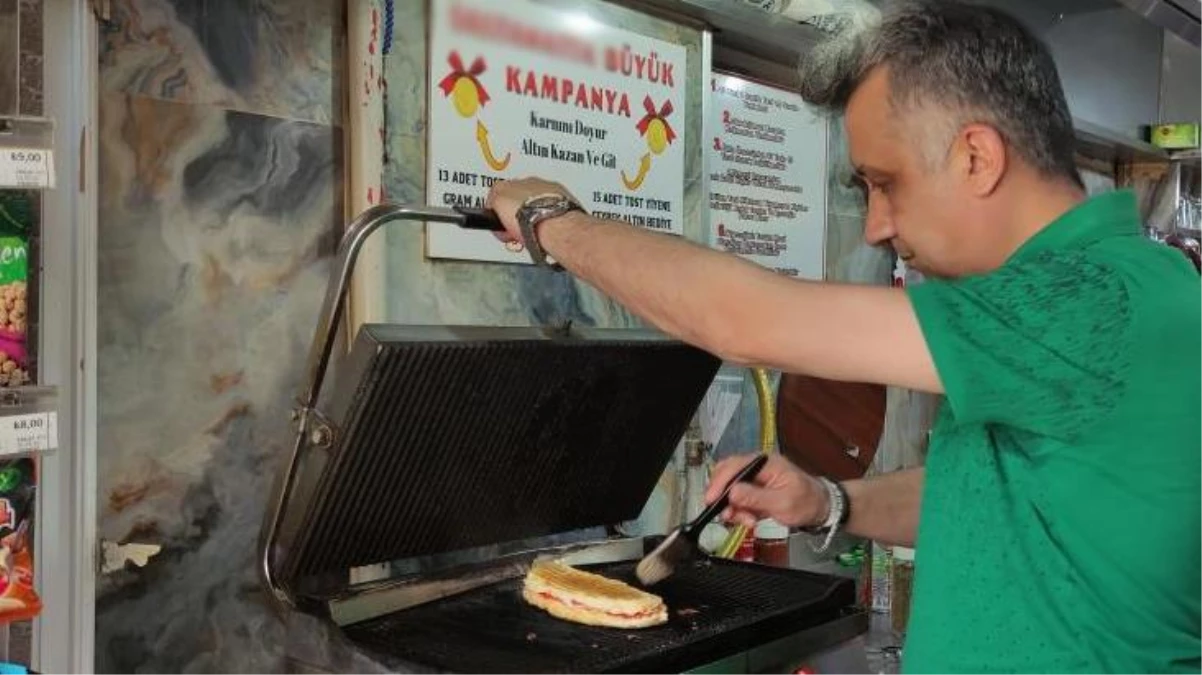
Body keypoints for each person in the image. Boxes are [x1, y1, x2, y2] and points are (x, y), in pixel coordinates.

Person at [485, 0, 1202, 672]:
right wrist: (829, 501)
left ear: (977, 158)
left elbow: (748, 321)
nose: (876, 227)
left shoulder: (1088, 299)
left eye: (884, 183)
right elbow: (996, 494)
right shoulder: (1089, 296)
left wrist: (551, 219)